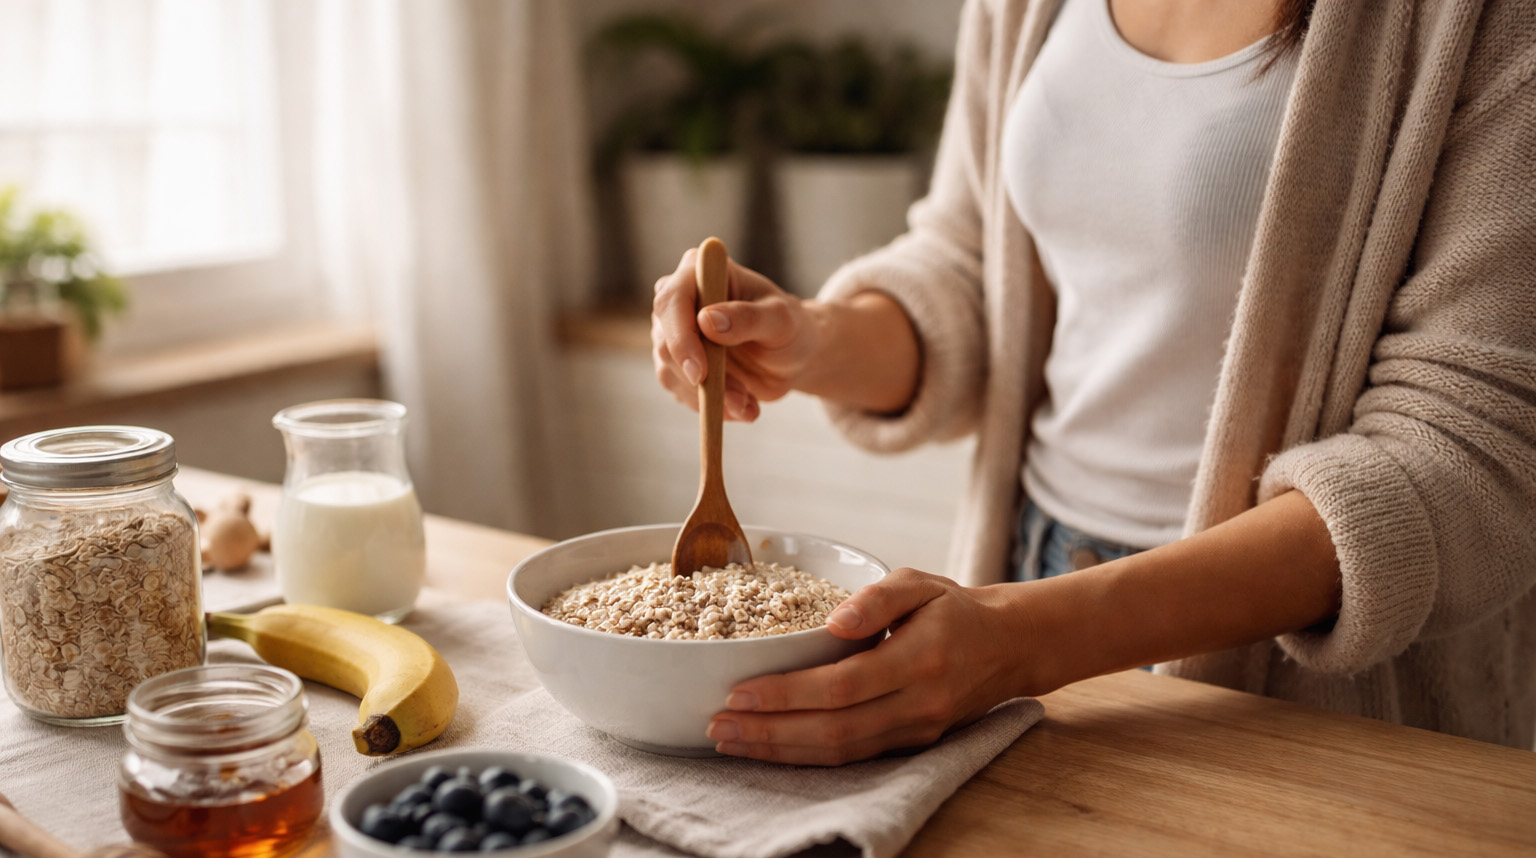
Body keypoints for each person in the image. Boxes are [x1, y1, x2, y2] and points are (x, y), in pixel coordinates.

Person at [649, 0, 1536, 765]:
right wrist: (811, 340)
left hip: (1288, 664)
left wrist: (1027, 639)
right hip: (1028, 575)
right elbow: (973, 261)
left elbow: (1468, 454)